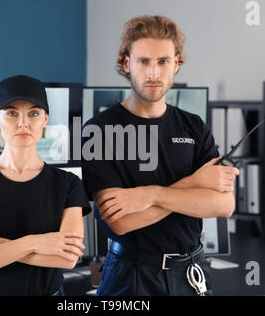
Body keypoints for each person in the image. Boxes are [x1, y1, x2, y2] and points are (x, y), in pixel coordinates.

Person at [81, 15, 239, 296]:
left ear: (176, 63)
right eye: (144, 61)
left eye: (163, 61)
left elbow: (223, 204)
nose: (154, 73)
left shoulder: (194, 126)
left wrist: (150, 195)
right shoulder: (100, 131)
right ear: (126, 63)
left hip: (192, 274)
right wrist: (194, 183)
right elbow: (120, 222)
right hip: (132, 277)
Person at [0, 75, 91, 296]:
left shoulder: (68, 184)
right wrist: (35, 242)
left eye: (33, 113)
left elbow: (67, 259)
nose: (23, 123)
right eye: (12, 113)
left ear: (45, 120)